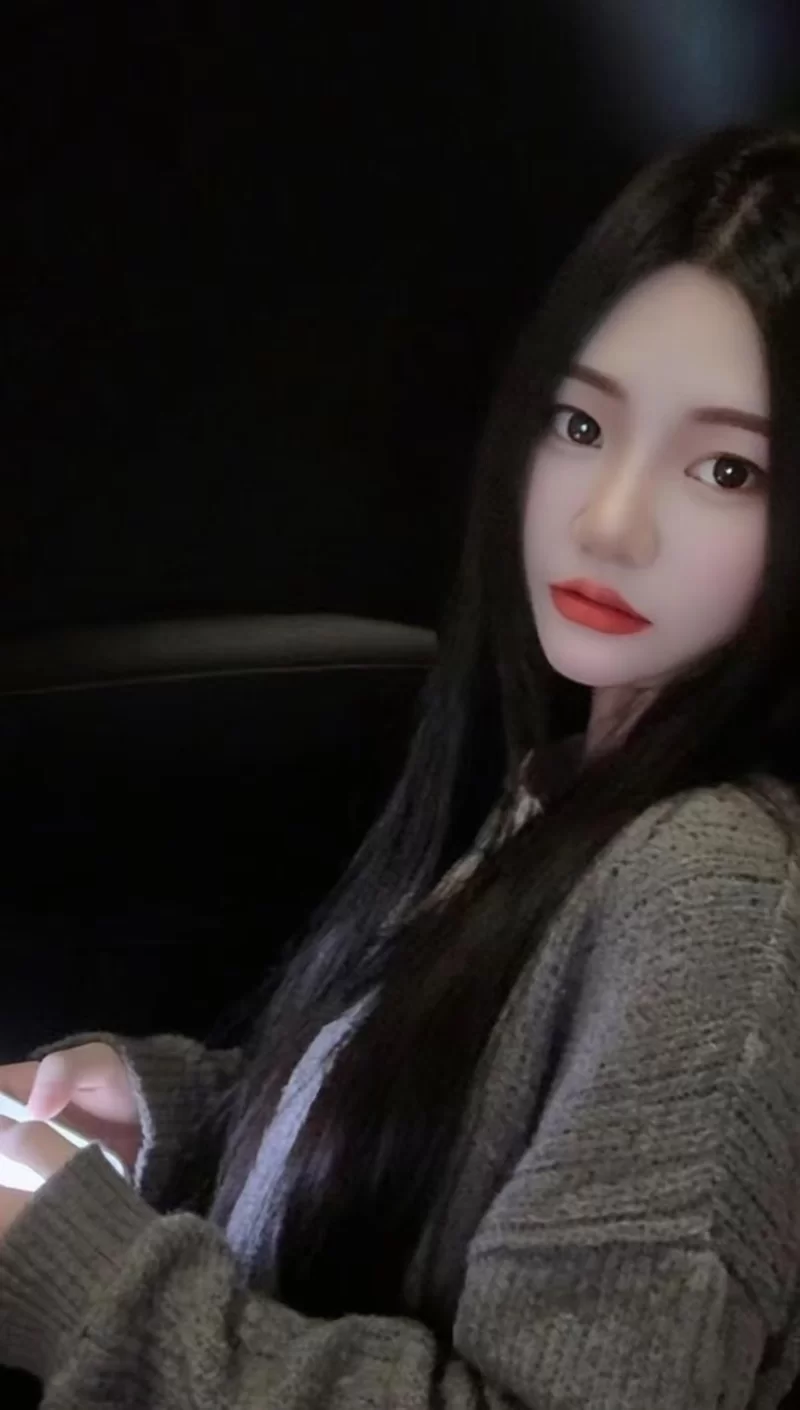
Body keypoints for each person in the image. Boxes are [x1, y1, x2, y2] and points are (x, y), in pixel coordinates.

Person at [1, 123, 800, 1410]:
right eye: (579, 423)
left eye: (724, 468)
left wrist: (79, 1272)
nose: (607, 520)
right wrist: (166, 1115)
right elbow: (434, 1136)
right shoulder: (575, 789)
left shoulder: (713, 889)